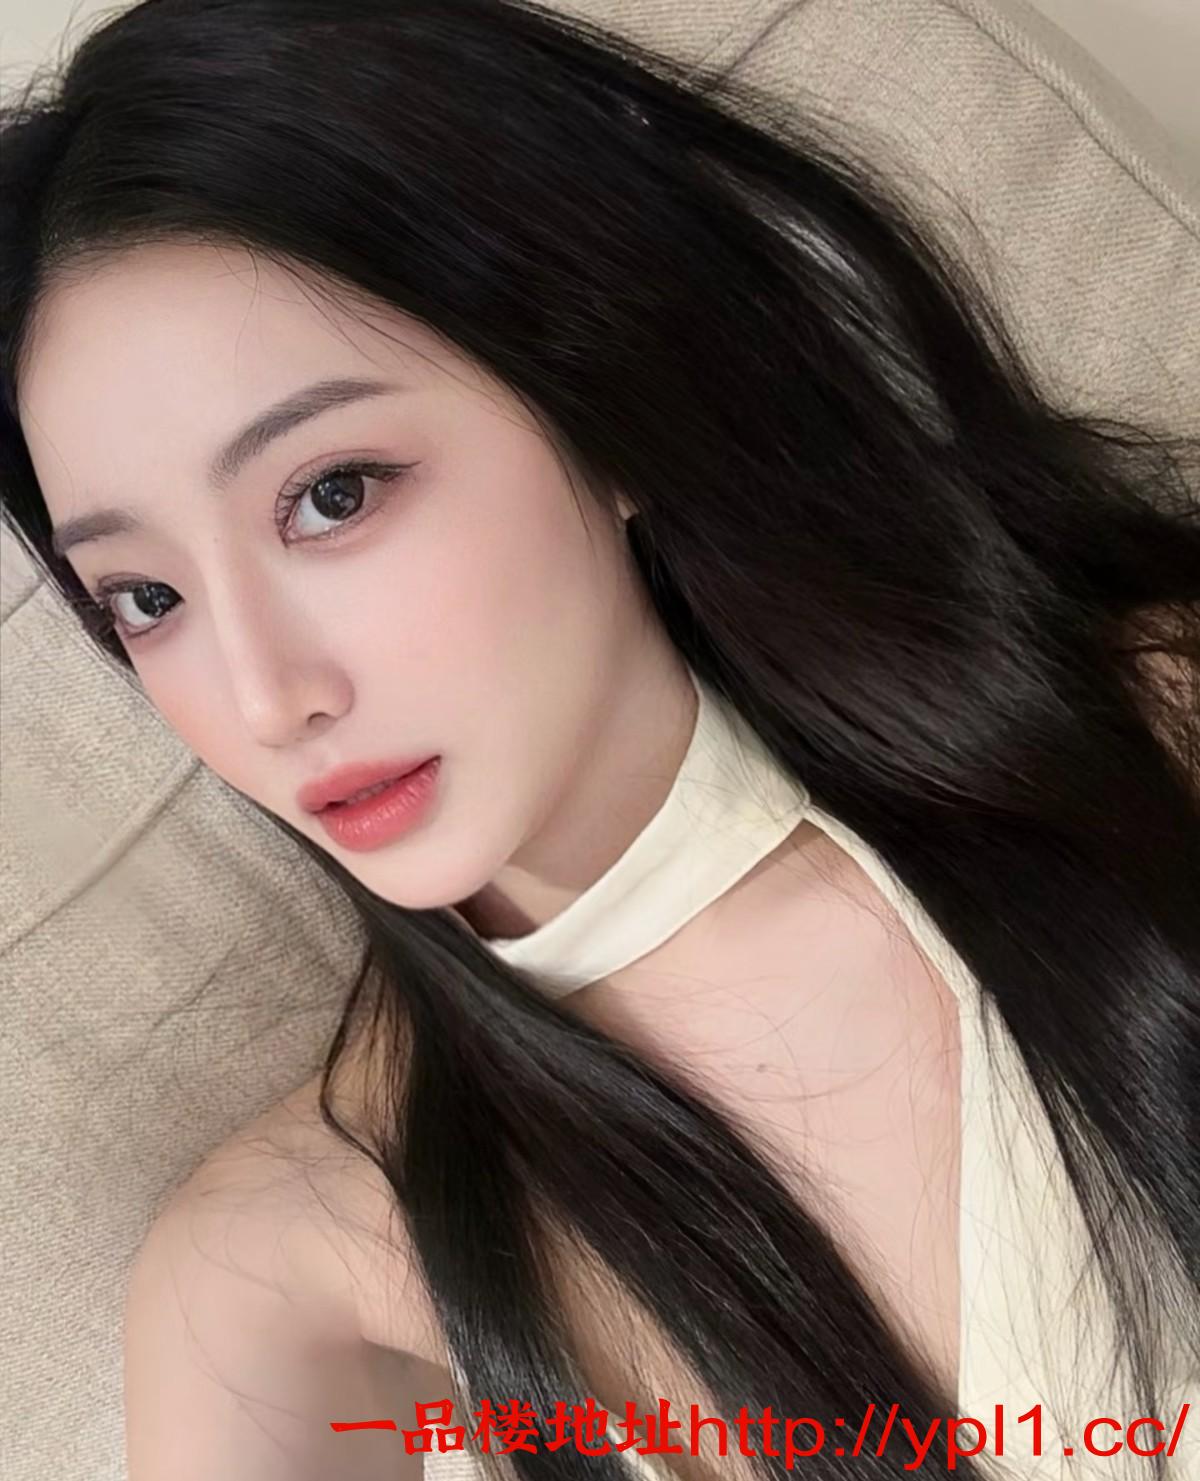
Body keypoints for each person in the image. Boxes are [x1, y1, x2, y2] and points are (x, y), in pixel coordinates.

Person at [2, 1, 1198, 1477]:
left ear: (606, 405)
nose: (265, 697)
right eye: (147, 597)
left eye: (333, 494)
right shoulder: (275, 1267)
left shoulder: (1151, 735)